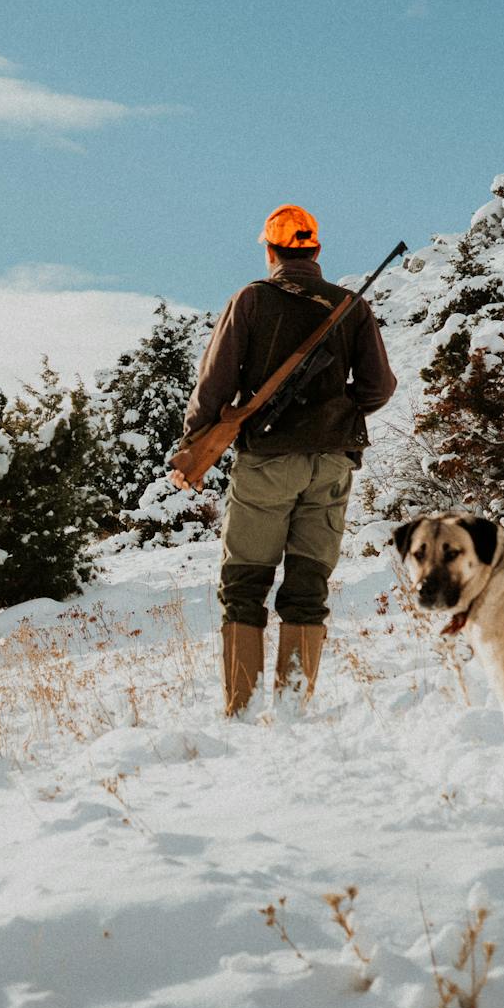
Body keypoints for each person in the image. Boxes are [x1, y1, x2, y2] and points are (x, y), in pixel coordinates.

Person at [169, 205, 397, 717]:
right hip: (333, 465)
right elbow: (379, 387)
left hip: (268, 463)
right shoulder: (351, 307)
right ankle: (293, 709)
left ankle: (242, 710)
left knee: (245, 584)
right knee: (307, 587)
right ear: (315, 250)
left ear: (270, 251)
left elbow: (215, 385)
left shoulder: (251, 300)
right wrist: (338, 410)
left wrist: (194, 449)